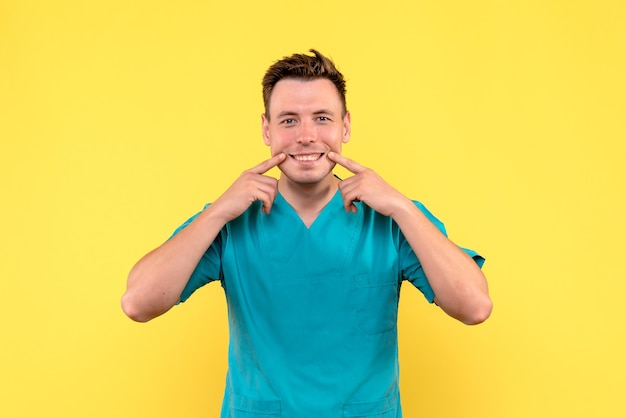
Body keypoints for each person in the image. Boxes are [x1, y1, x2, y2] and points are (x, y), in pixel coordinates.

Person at [122, 49, 492, 417]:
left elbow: (475, 307)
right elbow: (138, 302)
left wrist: (401, 206)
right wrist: (218, 210)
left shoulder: (392, 219)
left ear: (345, 125)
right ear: (266, 129)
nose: (306, 136)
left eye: (321, 118)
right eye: (288, 121)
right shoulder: (230, 221)